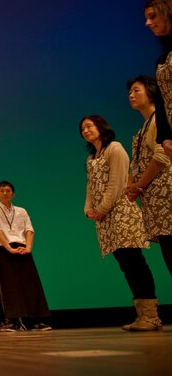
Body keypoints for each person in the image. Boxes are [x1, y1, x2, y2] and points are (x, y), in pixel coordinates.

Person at [80, 114, 161, 331]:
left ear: (101, 127)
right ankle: (142, 315)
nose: (85, 131)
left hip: (121, 214)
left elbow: (117, 183)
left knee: (134, 263)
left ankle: (151, 316)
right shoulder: (92, 158)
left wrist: (101, 209)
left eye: (89, 126)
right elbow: (91, 186)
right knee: (126, 265)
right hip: (105, 218)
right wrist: (88, 208)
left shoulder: (115, 148)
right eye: (83, 129)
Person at [124, 76, 172, 278]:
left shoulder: (159, 122)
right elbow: (137, 164)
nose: (131, 95)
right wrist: (132, 184)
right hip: (156, 204)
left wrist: (139, 185)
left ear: (151, 92)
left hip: (167, 198)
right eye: (130, 92)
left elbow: (162, 156)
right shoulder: (143, 128)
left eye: (136, 90)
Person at [0, 181, 52, 331]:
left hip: (23, 249)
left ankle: (36, 321)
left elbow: (29, 230)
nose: (5, 193)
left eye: (8, 190)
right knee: (10, 287)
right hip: (5, 249)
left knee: (31, 285)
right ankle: (13, 321)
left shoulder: (21, 211)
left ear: (13, 194)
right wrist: (9, 248)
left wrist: (28, 247)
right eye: (2, 191)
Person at [143, 0, 172, 159]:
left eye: (152, 16)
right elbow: (161, 100)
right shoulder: (162, 60)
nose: (147, 23)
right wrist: (166, 137)